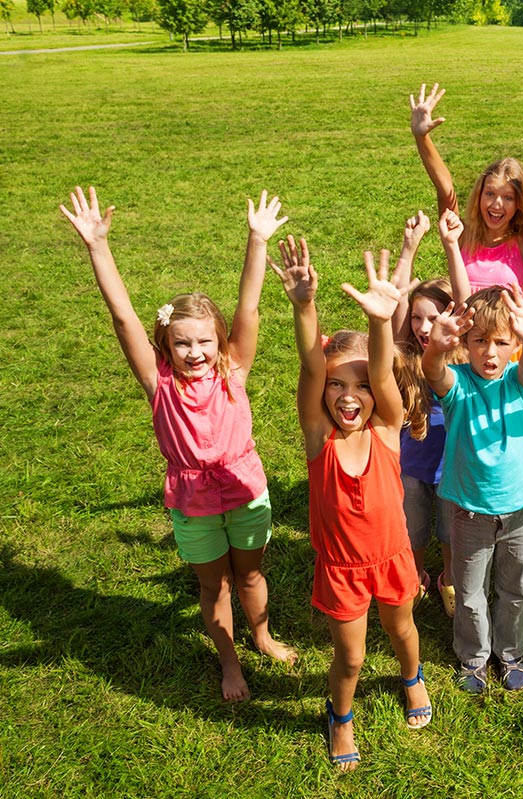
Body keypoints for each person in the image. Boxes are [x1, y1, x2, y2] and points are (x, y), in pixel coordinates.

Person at [60, 186, 295, 703]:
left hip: (244, 488)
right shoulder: (158, 382)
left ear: (221, 341)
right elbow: (123, 317)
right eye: (182, 342)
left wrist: (257, 241)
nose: (195, 352)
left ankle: (262, 635)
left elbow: (249, 308)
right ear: (165, 344)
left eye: (204, 341)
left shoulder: (234, 369)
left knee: (251, 573)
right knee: (216, 587)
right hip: (192, 499)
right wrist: (98, 247)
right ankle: (229, 662)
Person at [274, 239, 431, 770]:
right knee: (353, 656)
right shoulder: (319, 436)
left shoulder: (387, 428)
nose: (348, 395)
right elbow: (309, 367)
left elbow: (385, 376)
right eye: (337, 384)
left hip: (392, 558)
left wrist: (383, 323)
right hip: (342, 569)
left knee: (403, 630)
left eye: (359, 386)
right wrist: (303, 307)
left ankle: (413, 679)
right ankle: (340, 719)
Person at [422, 284, 523, 693]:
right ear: (466, 343)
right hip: (469, 513)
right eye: (480, 342)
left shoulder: (518, 378)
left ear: (513, 345)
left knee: (517, 589)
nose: (490, 353)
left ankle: (511, 653)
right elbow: (432, 373)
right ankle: (474, 657)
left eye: (501, 342)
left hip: (520, 513)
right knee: (470, 593)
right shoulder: (457, 382)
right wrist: (435, 348)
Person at [410, 83, 523, 293]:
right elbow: (445, 189)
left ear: (517, 205)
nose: (497, 204)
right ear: (479, 196)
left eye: (508, 198)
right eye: (490, 194)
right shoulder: (462, 238)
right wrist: (422, 137)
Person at [390, 209, 471, 617]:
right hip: (413, 467)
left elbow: (466, 299)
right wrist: (409, 248)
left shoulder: (459, 361)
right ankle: (417, 574)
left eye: (434, 317)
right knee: (414, 528)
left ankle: (450, 579)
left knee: (450, 532)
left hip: (454, 467)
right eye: (418, 318)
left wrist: (450, 244)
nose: (424, 326)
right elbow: (395, 307)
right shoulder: (404, 356)